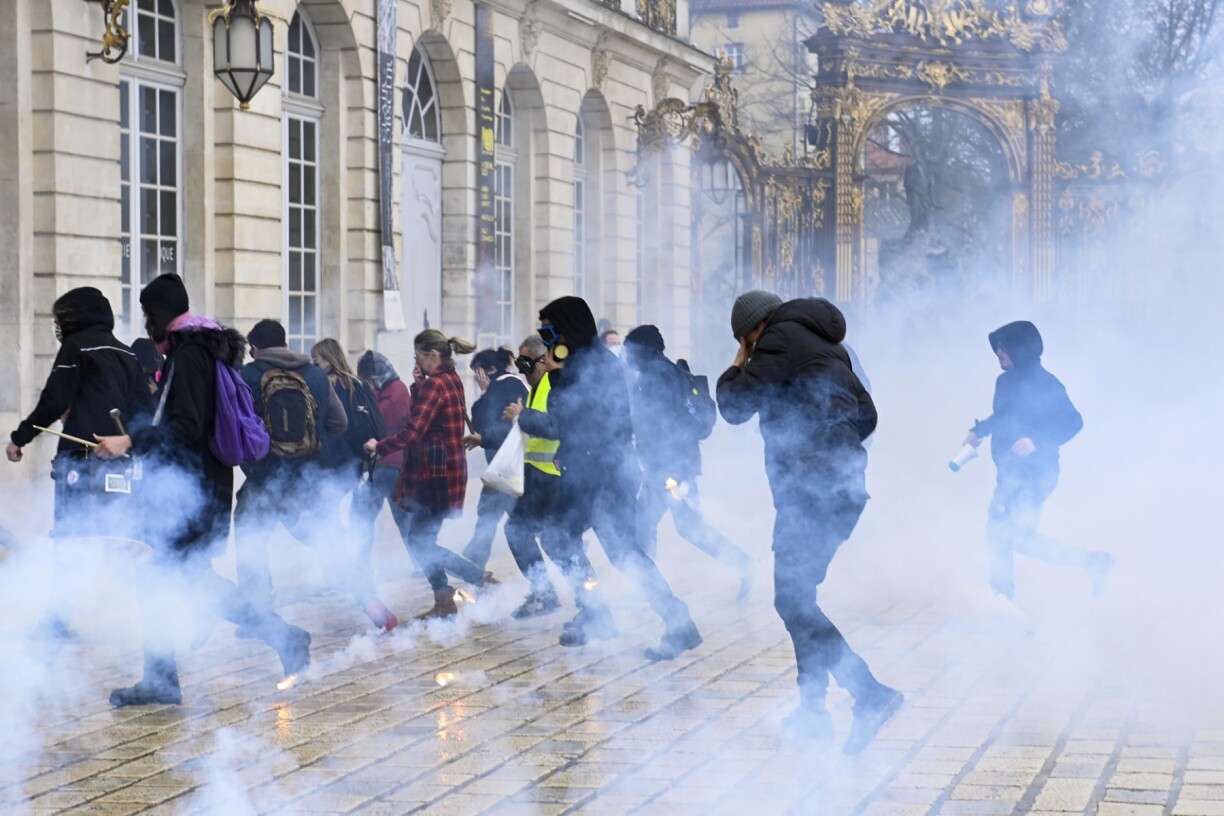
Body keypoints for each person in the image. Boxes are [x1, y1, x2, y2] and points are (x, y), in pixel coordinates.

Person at [94, 274, 310, 707]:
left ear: (159, 315)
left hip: (191, 493)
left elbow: (188, 427)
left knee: (179, 579)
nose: (146, 324)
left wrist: (131, 441)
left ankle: (279, 638)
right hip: (197, 488)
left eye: (147, 315)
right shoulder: (199, 349)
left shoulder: (190, 354)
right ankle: (163, 677)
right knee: (172, 577)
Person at [716, 290, 901, 753]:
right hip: (840, 489)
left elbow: (734, 407)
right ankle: (813, 711)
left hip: (809, 493)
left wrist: (737, 365)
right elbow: (868, 415)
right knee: (798, 599)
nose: (748, 349)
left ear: (753, 329)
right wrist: (832, 444)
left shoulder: (777, 339)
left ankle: (870, 694)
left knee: (793, 602)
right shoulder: (829, 345)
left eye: (744, 341)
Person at [531, 296, 701, 661]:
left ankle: (671, 620)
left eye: (549, 333)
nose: (547, 343)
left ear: (568, 331)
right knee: (567, 539)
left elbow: (572, 418)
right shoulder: (582, 363)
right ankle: (602, 613)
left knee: (618, 553)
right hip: (591, 472)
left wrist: (555, 376)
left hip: (603, 476)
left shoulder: (592, 366)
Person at [232, 321, 398, 634]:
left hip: (265, 479)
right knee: (329, 541)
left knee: (251, 540)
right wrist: (314, 445)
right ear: (285, 343)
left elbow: (238, 426)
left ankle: (260, 615)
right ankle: (370, 601)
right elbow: (339, 423)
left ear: (254, 348)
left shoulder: (248, 376)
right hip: (311, 479)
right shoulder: (315, 374)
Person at [6, 287, 153, 640]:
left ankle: (56, 622)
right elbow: (145, 414)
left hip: (80, 463)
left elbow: (53, 400)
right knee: (115, 538)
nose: (58, 327)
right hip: (120, 463)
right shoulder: (127, 353)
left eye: (59, 319)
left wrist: (20, 437)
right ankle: (135, 617)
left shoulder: (76, 347)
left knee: (69, 540)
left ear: (75, 317)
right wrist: (127, 441)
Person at [963, 320, 1112, 600]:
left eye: (1005, 347)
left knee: (1003, 534)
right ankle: (1093, 562)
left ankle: (1002, 597)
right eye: (997, 347)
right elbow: (1004, 417)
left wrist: (1036, 441)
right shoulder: (1004, 381)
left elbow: (1073, 421)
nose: (999, 353)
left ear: (1022, 349)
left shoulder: (1046, 384)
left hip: (1036, 473)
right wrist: (979, 430)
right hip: (1009, 472)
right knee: (1010, 535)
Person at [363, 330, 498, 619]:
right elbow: (424, 417)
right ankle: (450, 597)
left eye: (418, 357)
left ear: (432, 355)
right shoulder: (449, 379)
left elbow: (414, 430)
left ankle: (473, 585)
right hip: (444, 472)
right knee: (421, 540)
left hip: (435, 475)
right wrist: (418, 384)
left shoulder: (436, 384)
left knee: (420, 542)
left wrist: (380, 446)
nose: (417, 362)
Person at [622, 324, 753, 600]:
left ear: (644, 349)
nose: (627, 356)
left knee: (646, 524)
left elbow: (658, 422)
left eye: (630, 350)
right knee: (684, 527)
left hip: (668, 468)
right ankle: (744, 564)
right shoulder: (668, 369)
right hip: (676, 465)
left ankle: (645, 588)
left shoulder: (653, 375)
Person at [502, 334, 593, 619]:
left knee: (555, 540)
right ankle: (557, 594)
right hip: (539, 476)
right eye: (519, 364)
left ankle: (587, 600)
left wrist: (522, 416)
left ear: (542, 361)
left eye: (526, 363)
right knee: (533, 535)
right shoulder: (537, 387)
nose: (522, 370)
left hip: (555, 477)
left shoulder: (553, 386)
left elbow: (554, 426)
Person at [349, 349, 417, 598]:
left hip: (392, 465)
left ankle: (423, 562)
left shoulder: (396, 391)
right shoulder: (385, 390)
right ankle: (360, 568)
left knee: (371, 518)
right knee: (370, 518)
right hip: (382, 466)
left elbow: (379, 422)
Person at [460, 348, 529, 571]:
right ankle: (473, 561)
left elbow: (486, 423)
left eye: (477, 372)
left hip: (509, 464)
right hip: (503, 464)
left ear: (490, 370)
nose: (475, 378)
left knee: (508, 520)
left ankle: (473, 562)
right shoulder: (502, 386)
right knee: (489, 512)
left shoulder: (505, 386)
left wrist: (484, 393)